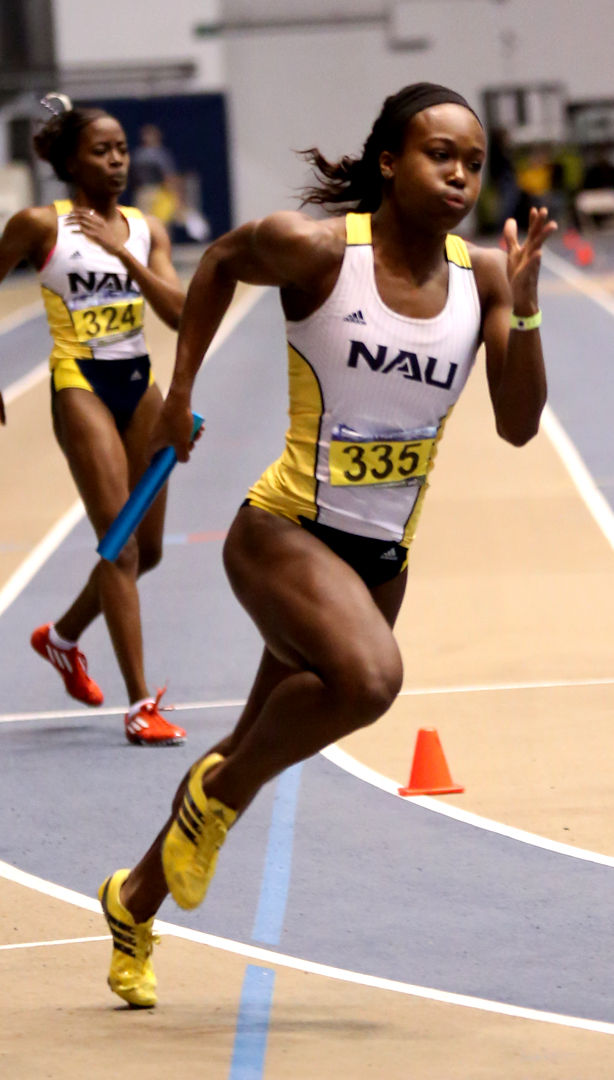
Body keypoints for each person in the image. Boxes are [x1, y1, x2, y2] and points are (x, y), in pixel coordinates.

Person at [97, 82, 556, 1006]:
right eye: (440, 153)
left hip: (381, 561)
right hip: (282, 532)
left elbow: (516, 423)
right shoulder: (316, 251)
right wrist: (178, 391)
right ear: (390, 161)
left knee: (257, 736)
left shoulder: (487, 278)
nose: (461, 174)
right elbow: (221, 260)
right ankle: (212, 806)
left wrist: (533, 308)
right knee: (370, 680)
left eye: (474, 161)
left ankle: (132, 903)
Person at [0, 94, 188, 746]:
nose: (116, 161)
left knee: (149, 550)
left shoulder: (146, 228)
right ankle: (140, 705)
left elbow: (181, 314)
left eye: (121, 150)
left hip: (140, 385)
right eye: (101, 151)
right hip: (79, 383)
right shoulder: (37, 225)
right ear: (74, 162)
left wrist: (126, 254)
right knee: (121, 544)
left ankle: (61, 638)